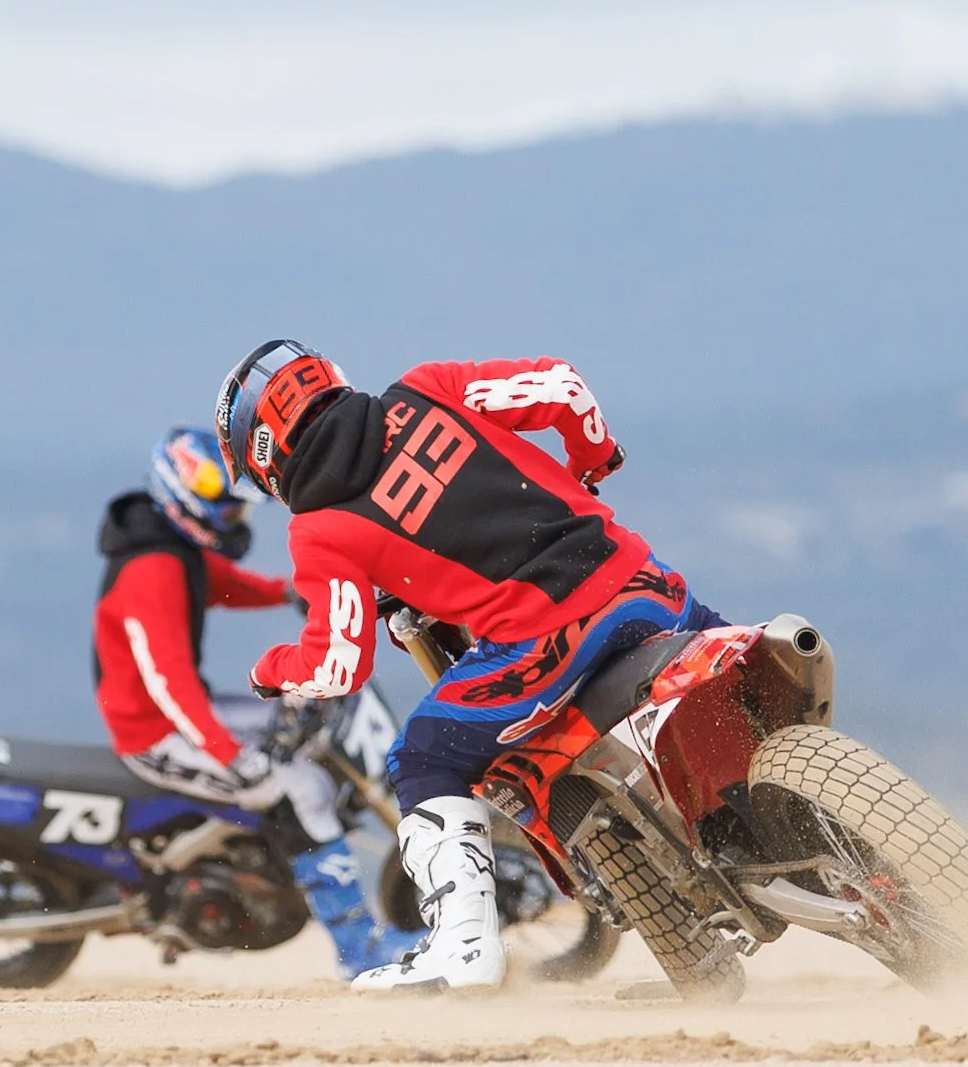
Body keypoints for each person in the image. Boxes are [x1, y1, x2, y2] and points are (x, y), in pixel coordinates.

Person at [214, 344, 728, 991]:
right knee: (729, 679)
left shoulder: (320, 529)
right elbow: (561, 387)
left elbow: (338, 664)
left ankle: (462, 950)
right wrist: (590, 459)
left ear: (264, 452)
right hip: (643, 582)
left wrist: (272, 668)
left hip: (545, 643)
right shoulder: (429, 389)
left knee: (423, 757)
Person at [92, 425, 422, 978]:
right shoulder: (152, 569)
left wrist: (291, 592)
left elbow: (223, 585)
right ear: (188, 501)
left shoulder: (174, 550)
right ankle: (359, 952)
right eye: (227, 512)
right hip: (156, 733)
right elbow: (166, 684)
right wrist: (230, 754)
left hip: (185, 709)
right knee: (301, 786)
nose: (234, 521)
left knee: (319, 709)